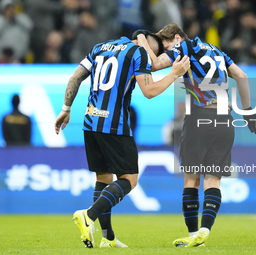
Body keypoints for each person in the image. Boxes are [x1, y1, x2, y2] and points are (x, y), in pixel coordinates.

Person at [54, 31, 190, 248]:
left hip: (90, 122)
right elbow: (150, 91)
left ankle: (107, 238)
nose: (153, 61)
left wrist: (66, 108)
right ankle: (88, 215)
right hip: (114, 126)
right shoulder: (139, 53)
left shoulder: (99, 47)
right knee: (129, 179)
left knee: (104, 178)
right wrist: (174, 73)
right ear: (151, 47)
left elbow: (75, 77)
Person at [137, 23, 256, 247]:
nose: (166, 51)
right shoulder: (216, 51)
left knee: (192, 180)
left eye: (166, 46)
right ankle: (205, 230)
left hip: (199, 117)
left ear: (176, 37)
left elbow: (154, 65)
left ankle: (195, 235)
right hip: (225, 118)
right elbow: (241, 76)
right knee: (213, 180)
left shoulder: (184, 48)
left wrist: (141, 39)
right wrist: (249, 111)